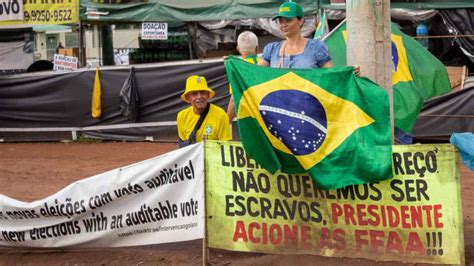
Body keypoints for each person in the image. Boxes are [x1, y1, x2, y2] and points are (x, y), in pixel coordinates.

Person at [177, 75, 231, 147]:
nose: (199, 96)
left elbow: (226, 146)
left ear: (208, 95)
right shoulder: (182, 116)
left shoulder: (221, 115)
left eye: (202, 92)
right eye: (194, 93)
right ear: (188, 98)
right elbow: (182, 146)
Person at [227, 31, 261, 123]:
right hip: (266, 117)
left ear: (238, 49)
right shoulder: (267, 65)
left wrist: (227, 122)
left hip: (248, 121)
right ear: (257, 48)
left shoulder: (237, 69)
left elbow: (234, 100)